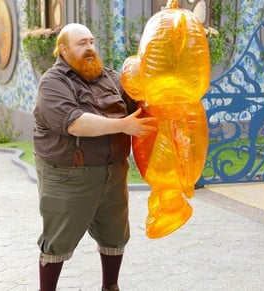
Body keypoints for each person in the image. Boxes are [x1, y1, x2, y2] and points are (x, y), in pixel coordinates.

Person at [32, 23, 156, 291]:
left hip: (112, 172)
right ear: (63, 49)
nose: (89, 47)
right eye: (81, 43)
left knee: (115, 234)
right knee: (58, 240)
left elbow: (138, 101)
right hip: (68, 175)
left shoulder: (109, 77)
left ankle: (110, 287)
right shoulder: (53, 82)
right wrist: (122, 125)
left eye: (91, 41)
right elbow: (74, 123)